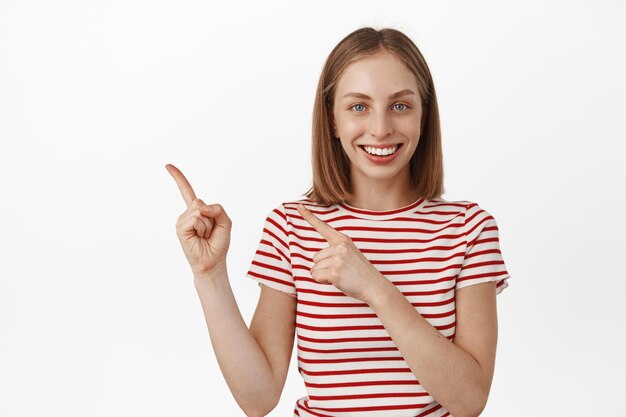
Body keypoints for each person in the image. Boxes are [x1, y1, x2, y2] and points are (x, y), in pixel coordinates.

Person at [166, 26, 510, 417]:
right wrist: (209, 276)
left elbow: (470, 401)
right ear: (331, 119)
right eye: (358, 106)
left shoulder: (469, 229)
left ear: (424, 116)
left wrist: (375, 288)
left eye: (400, 105)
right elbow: (258, 398)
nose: (380, 128)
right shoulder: (291, 227)